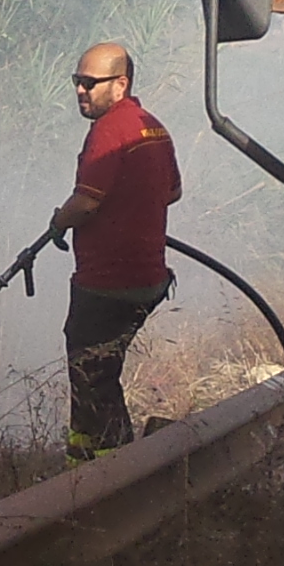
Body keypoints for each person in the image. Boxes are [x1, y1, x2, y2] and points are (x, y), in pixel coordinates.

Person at [47, 42, 180, 458]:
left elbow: (85, 202)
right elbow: (173, 192)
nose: (80, 91)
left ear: (120, 84)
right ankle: (86, 460)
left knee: (92, 374)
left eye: (90, 83)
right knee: (100, 370)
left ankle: (107, 471)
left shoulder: (109, 132)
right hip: (149, 277)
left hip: (109, 282)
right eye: (77, 82)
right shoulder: (151, 126)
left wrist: (58, 221)